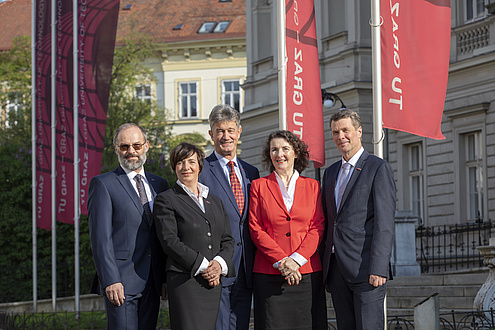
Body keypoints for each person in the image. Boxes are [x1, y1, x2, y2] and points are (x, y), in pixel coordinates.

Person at [88, 123, 169, 329]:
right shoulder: (103, 184)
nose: (131, 151)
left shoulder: (159, 184)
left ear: (146, 146)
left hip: (152, 280)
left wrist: (165, 277)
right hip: (121, 283)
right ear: (116, 149)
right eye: (124, 147)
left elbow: (164, 235)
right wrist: (110, 280)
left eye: (136, 145)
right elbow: (100, 239)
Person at [321, 109, 396, 330]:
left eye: (346, 130)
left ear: (359, 132)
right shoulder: (331, 172)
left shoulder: (377, 167)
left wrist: (379, 267)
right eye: (335, 132)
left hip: (366, 270)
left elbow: (384, 223)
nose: (340, 136)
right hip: (336, 270)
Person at [249, 130, 327, 330]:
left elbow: (317, 226)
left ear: (296, 153)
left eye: (285, 149)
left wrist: (296, 260)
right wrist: (283, 262)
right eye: (274, 150)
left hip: (306, 272)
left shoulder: (313, 186)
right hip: (269, 273)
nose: (279, 154)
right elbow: (256, 228)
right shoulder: (259, 186)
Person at [153, 142, 235, 330]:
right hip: (185, 282)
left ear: (199, 165)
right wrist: (206, 266)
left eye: (191, 161)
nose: (186, 167)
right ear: (174, 167)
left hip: (213, 283)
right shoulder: (166, 199)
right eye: (180, 162)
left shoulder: (215, 201)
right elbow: (169, 241)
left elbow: (227, 240)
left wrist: (218, 265)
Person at [199, 104, 260, 330]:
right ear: (211, 134)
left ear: (239, 132)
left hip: (246, 266)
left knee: (241, 324)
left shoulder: (251, 172)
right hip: (217, 266)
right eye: (220, 131)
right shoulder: (201, 170)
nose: (226, 136)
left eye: (231, 130)